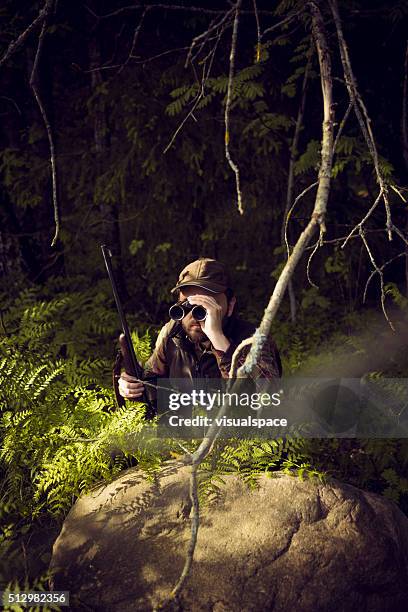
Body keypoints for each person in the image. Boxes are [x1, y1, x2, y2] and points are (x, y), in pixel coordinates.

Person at [118, 258, 282, 402]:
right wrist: (131, 387)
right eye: (187, 305)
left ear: (230, 306)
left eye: (206, 305)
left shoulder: (253, 339)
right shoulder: (173, 332)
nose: (194, 316)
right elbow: (152, 381)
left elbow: (269, 398)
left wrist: (219, 339)